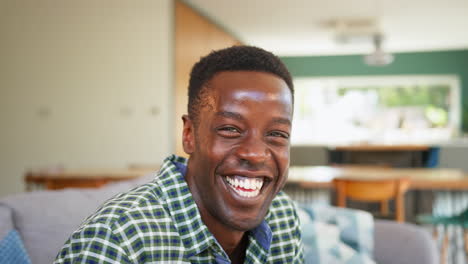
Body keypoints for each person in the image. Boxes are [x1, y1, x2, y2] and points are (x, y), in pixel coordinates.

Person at [54, 45, 303, 263]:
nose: (256, 154)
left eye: (277, 134)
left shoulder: (281, 216)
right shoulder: (117, 241)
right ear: (189, 135)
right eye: (230, 129)